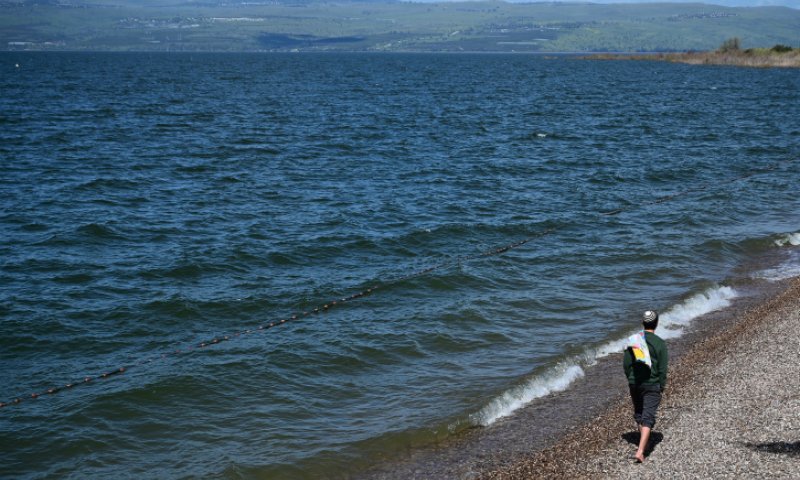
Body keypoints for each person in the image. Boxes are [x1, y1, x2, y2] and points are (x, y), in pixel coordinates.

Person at [623, 309, 668, 463]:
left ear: (643, 323)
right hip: (652, 383)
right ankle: (641, 451)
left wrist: (631, 378)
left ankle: (645, 441)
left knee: (639, 413)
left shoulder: (634, 340)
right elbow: (662, 368)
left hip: (635, 383)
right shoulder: (659, 343)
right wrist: (661, 385)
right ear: (656, 324)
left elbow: (627, 363)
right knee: (648, 416)